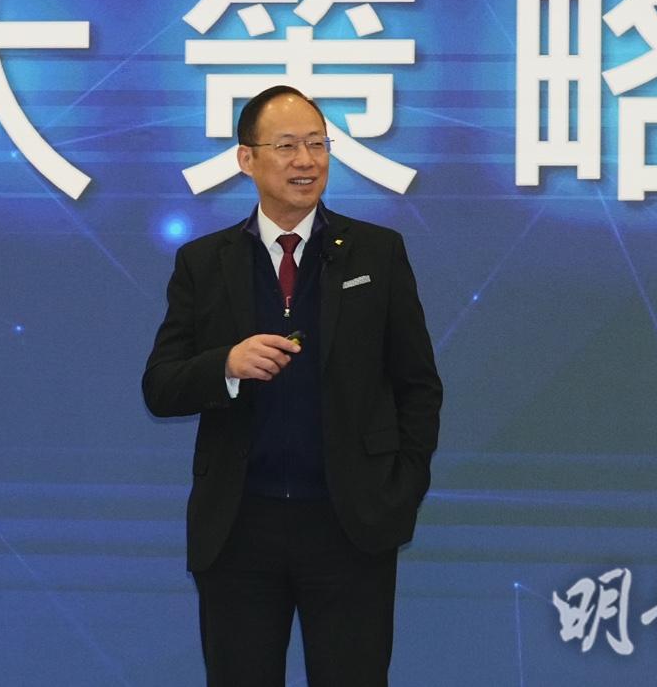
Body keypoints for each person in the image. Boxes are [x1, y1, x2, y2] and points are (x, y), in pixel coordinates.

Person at [142, 85, 442, 686]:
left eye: (317, 145)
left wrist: (399, 489)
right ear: (246, 159)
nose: (306, 161)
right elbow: (161, 386)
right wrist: (226, 365)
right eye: (286, 146)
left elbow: (418, 385)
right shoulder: (204, 262)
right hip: (239, 530)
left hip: (350, 525)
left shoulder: (376, 253)